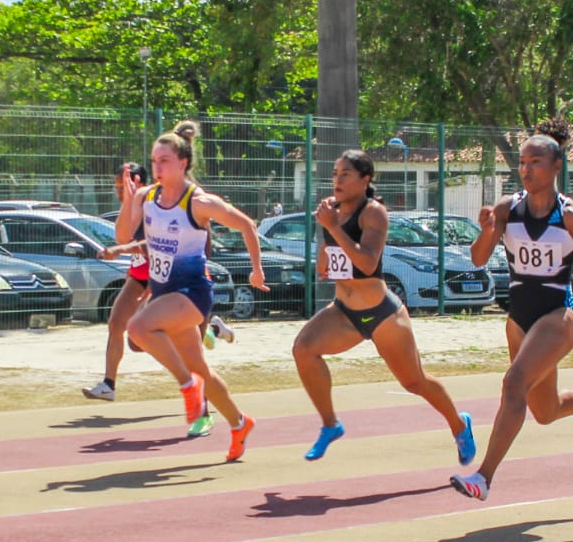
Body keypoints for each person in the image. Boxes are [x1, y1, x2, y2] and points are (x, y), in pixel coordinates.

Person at [449, 134, 573, 502]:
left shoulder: (572, 217)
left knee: (513, 383)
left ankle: (483, 477)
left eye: (535, 162)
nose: (526, 169)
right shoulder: (507, 209)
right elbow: (477, 259)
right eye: (521, 162)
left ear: (556, 167)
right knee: (545, 411)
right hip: (519, 320)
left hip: (558, 317)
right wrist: (487, 229)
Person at [291, 149, 476, 464]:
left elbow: (368, 260)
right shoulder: (331, 211)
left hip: (382, 315)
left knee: (414, 381)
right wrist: (324, 250)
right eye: (335, 173)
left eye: (345, 174)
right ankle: (330, 424)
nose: (337, 180)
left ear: (365, 179)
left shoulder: (373, 212)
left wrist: (334, 227)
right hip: (344, 312)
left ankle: (460, 425)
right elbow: (328, 259)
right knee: (303, 349)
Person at [117, 120, 266, 461]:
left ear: (183, 162)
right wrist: (129, 201)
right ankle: (240, 422)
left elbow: (246, 224)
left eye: (164, 160)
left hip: (193, 293)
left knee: (137, 328)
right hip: (164, 292)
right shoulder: (146, 196)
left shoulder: (198, 202)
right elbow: (123, 238)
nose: (157, 166)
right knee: (202, 370)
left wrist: (256, 270)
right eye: (154, 160)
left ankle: (188, 387)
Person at [83, 162, 150, 404]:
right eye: (117, 187)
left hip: (162, 278)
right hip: (139, 277)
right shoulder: (131, 206)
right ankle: (108, 385)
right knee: (115, 324)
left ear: (139, 183)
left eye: (122, 186)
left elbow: (144, 245)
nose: (118, 191)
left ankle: (208, 331)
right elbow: (122, 237)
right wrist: (127, 203)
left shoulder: (154, 205)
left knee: (138, 341)